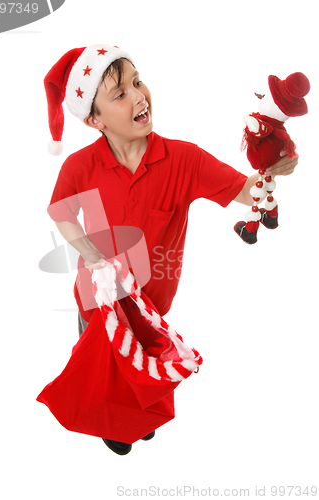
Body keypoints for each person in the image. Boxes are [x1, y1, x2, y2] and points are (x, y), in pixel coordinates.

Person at [44, 44, 298, 455]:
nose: (139, 95)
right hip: (99, 306)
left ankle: (142, 417)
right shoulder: (80, 167)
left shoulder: (183, 160)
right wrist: (90, 255)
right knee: (107, 382)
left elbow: (247, 191)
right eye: (120, 94)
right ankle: (114, 425)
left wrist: (270, 168)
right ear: (95, 120)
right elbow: (61, 213)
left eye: (137, 81)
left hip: (151, 309)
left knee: (145, 379)